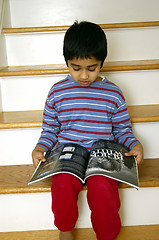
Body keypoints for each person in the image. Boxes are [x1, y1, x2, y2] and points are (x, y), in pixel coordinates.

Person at [32, 21, 143, 240]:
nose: (84, 76)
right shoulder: (57, 92)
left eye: (91, 69)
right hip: (68, 153)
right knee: (62, 183)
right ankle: (65, 229)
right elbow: (50, 129)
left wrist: (134, 144)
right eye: (76, 68)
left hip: (102, 154)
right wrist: (40, 148)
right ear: (67, 62)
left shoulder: (113, 94)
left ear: (101, 62)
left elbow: (121, 128)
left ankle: (107, 234)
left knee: (102, 187)